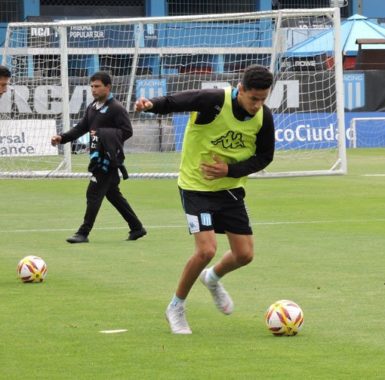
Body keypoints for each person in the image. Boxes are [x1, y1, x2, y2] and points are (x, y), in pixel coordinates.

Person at [134, 65, 275, 334]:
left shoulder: (263, 118)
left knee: (244, 255)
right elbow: (180, 101)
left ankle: (211, 278)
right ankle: (176, 306)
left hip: (231, 189)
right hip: (196, 187)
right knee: (206, 250)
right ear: (240, 89)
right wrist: (151, 104)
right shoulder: (214, 101)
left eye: (263, 99)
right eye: (253, 98)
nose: (258, 105)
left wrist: (230, 170)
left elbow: (265, 156)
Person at [51, 71, 146, 244]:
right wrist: (62, 138)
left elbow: (127, 131)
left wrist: (104, 136)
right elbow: (81, 128)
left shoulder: (116, 108)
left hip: (108, 160)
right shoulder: (93, 107)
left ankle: (83, 233)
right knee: (113, 195)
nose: (93, 90)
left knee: (93, 193)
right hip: (97, 157)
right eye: (92, 86)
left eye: (97, 86)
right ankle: (137, 227)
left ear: (108, 87)